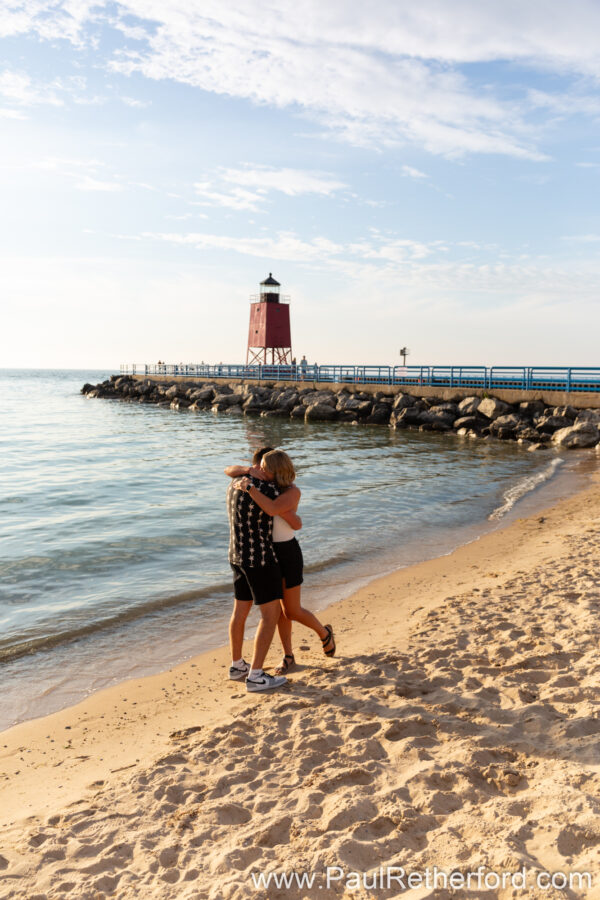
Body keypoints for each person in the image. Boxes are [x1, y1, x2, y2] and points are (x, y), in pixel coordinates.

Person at [239, 449, 336, 674]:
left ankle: (324, 633)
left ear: (276, 470)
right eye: (259, 465)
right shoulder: (266, 486)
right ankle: (288, 656)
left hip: (287, 553)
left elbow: (277, 511)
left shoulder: (291, 491)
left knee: (291, 610)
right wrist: (247, 472)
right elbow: (229, 470)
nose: (259, 469)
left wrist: (251, 488)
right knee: (279, 611)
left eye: (264, 466)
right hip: (267, 551)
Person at [225, 452, 288, 692]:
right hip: (259, 558)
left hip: (236, 554)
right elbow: (289, 517)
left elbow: (229, 469)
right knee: (270, 615)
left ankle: (237, 665)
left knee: (239, 611)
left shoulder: (234, 483)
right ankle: (256, 675)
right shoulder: (268, 491)